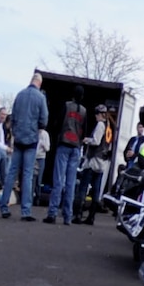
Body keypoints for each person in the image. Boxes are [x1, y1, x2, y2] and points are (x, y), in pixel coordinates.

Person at [0, 72, 48, 220]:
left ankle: (4, 206)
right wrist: (36, 128)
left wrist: (15, 131)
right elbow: (44, 120)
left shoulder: (20, 95)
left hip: (18, 139)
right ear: (40, 83)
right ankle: (26, 211)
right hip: (31, 140)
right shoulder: (40, 98)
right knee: (27, 174)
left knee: (12, 173)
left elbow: (12, 117)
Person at [46, 85, 87, 225]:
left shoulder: (66, 106)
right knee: (70, 183)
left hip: (64, 144)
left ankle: (52, 213)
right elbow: (84, 131)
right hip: (75, 147)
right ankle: (67, 216)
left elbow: (57, 124)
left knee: (58, 181)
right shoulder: (84, 111)